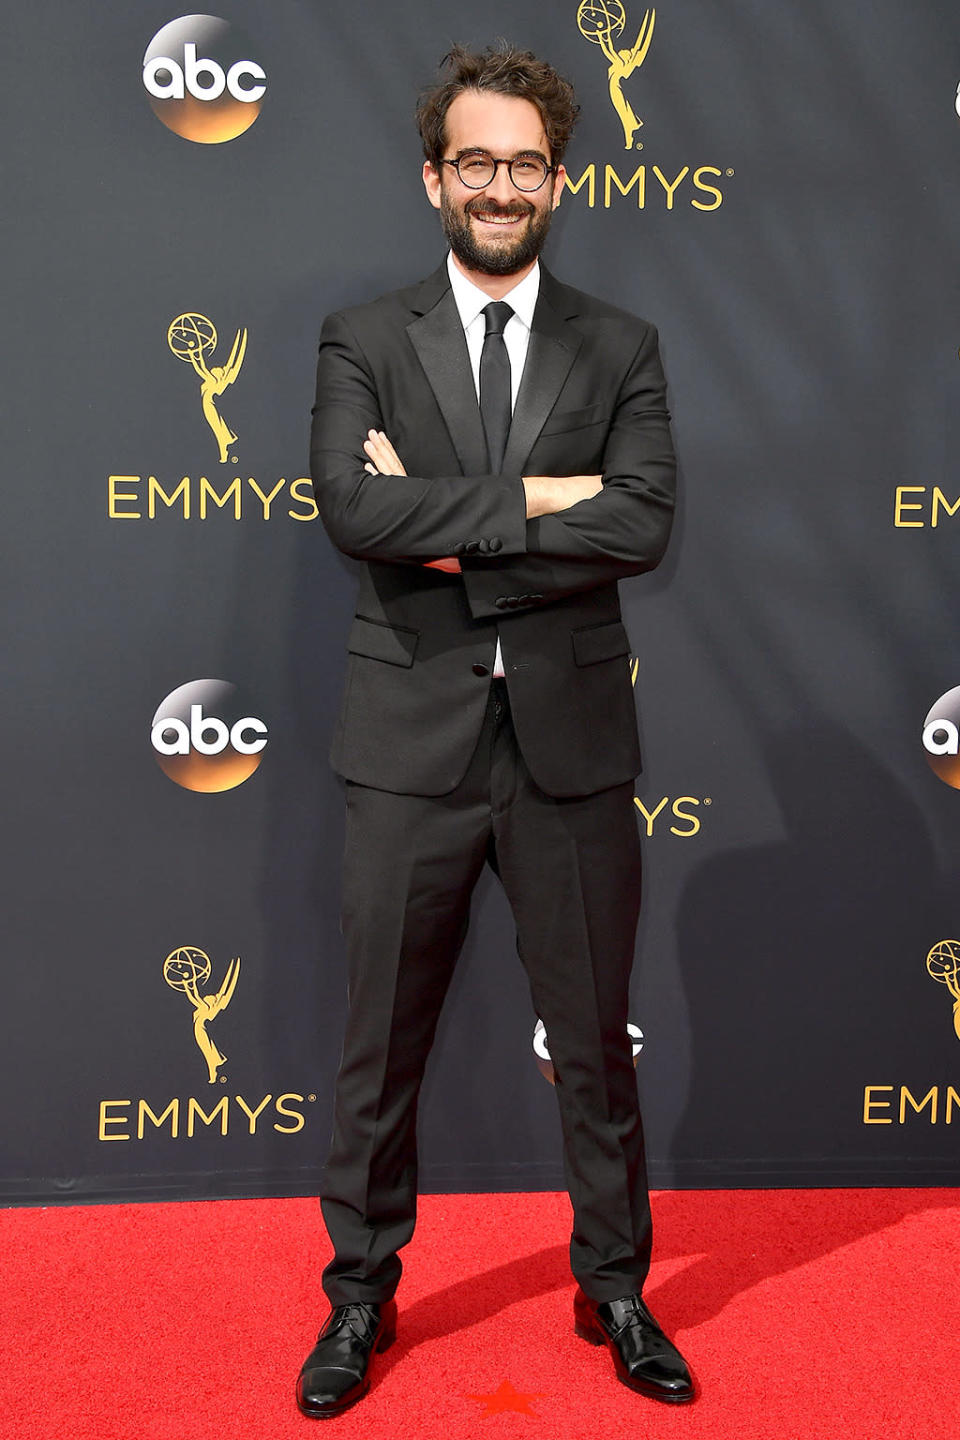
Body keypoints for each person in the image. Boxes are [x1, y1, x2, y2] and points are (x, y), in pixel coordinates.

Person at [297, 43, 694, 1418]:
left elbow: (642, 520)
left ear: (558, 179)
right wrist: (542, 497)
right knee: (378, 1045)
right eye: (477, 161)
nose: (501, 185)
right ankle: (359, 1297)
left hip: (573, 747)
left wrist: (460, 520)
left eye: (525, 163)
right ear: (434, 179)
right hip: (409, 744)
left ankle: (618, 1285)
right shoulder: (363, 336)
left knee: (594, 1040)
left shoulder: (620, 343)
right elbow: (356, 512)